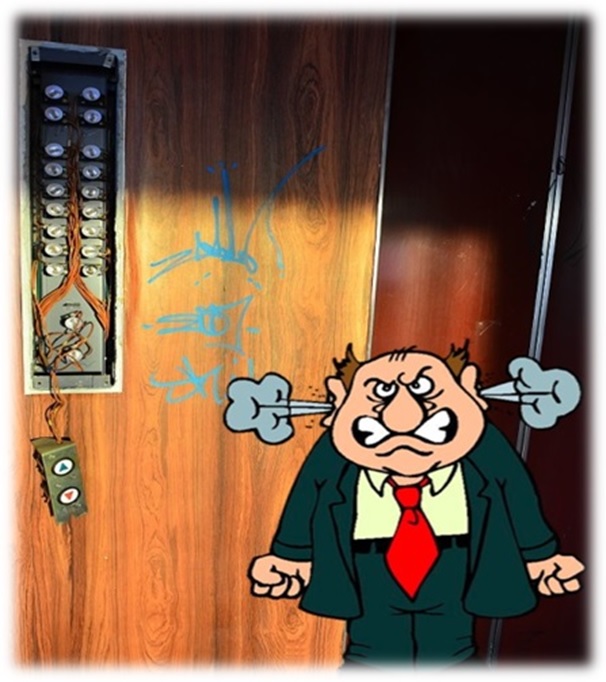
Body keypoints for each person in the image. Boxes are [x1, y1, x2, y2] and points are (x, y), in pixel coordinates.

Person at [248, 343, 585, 667]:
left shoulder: (482, 444)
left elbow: (513, 486)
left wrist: (540, 554)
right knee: (371, 648)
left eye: (423, 389)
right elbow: (310, 490)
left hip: (454, 554)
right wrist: (290, 555)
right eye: (380, 392)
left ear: (468, 391)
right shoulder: (336, 450)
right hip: (370, 560)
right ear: (339, 403)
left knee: (452, 649)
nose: (402, 418)